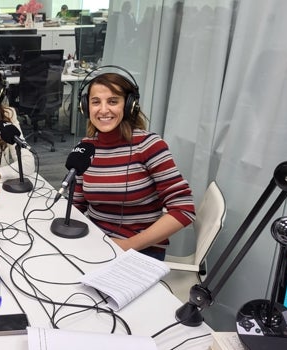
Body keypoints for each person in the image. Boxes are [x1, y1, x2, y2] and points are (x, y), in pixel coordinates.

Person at [72, 72, 195, 260]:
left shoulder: (149, 145)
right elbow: (77, 204)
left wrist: (128, 245)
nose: (103, 110)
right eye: (96, 102)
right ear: (85, 107)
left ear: (130, 106)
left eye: (113, 101)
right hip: (96, 243)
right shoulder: (86, 147)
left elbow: (184, 208)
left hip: (141, 250)